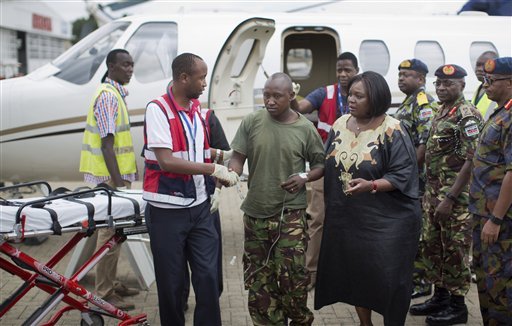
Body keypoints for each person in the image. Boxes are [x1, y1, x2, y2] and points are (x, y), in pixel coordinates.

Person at [315, 71, 421, 326]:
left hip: (388, 221)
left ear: (375, 98)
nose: (351, 99)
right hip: (348, 218)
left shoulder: (393, 129)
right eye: (350, 94)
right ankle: (365, 323)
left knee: (389, 279)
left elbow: (403, 173)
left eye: (358, 96)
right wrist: (306, 176)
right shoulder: (340, 123)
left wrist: (372, 184)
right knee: (357, 274)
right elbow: (327, 162)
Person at [142, 52, 238, 326]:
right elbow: (166, 160)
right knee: (172, 286)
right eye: (201, 77)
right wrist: (212, 170)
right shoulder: (158, 109)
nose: (205, 83)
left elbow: (196, 150)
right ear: (184, 78)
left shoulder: (196, 111)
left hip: (200, 209)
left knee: (209, 279)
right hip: (167, 212)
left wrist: (226, 159)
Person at [229, 72, 325, 325]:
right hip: (255, 213)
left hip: (290, 214)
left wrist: (304, 177)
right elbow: (237, 156)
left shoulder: (305, 128)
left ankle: (300, 320)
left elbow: (320, 165)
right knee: (259, 280)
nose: (270, 101)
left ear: (291, 96)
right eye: (266, 95)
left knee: (292, 278)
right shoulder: (252, 121)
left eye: (277, 96)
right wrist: (231, 172)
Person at [409, 64, 482, 325]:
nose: (441, 88)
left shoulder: (467, 115)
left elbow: (471, 161)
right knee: (433, 247)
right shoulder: (441, 111)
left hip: (455, 200)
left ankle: (458, 307)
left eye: (448, 84)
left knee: (454, 251)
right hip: (433, 194)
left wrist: (450, 199)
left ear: (462, 85)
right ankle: (440, 297)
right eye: (438, 83)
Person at [291, 52, 359, 288]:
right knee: (317, 217)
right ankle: (311, 273)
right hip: (324, 166)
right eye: (339, 70)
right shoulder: (325, 93)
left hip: (355, 167)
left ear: (356, 71)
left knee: (351, 219)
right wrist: (291, 95)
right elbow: (300, 108)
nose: (342, 74)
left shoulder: (363, 93)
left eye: (347, 70)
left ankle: (349, 271)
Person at [79, 49, 139, 311]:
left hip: (114, 178)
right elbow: (106, 145)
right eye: (125, 65)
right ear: (111, 67)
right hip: (109, 180)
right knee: (108, 235)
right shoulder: (107, 97)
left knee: (116, 233)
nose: (130, 69)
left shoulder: (116, 94)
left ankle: (111, 283)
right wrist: (118, 185)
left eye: (132, 65)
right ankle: (104, 292)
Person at [469, 57, 512, 325]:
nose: (485, 86)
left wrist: (495, 219)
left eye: (491, 81)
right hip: (483, 214)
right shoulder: (499, 112)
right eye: (485, 80)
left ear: (509, 83)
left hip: (500, 221)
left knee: (501, 286)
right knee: (486, 279)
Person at [395, 58, 437, 299]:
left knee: (418, 228)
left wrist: (410, 177)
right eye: (400, 74)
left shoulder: (422, 102)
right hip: (406, 176)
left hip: (416, 180)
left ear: (420, 79)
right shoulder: (409, 101)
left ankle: (421, 282)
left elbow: (424, 142)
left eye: (407, 75)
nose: (401, 78)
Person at [182, 109, 231, 311]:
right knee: (176, 260)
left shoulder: (207, 117)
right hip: (173, 202)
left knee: (209, 257)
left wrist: (217, 191)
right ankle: (180, 299)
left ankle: (211, 297)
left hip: (206, 198)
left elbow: (225, 156)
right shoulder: (163, 117)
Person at [471, 51, 498, 120]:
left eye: (484, 65)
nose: (479, 69)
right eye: (478, 65)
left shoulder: (499, 90)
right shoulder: (479, 88)